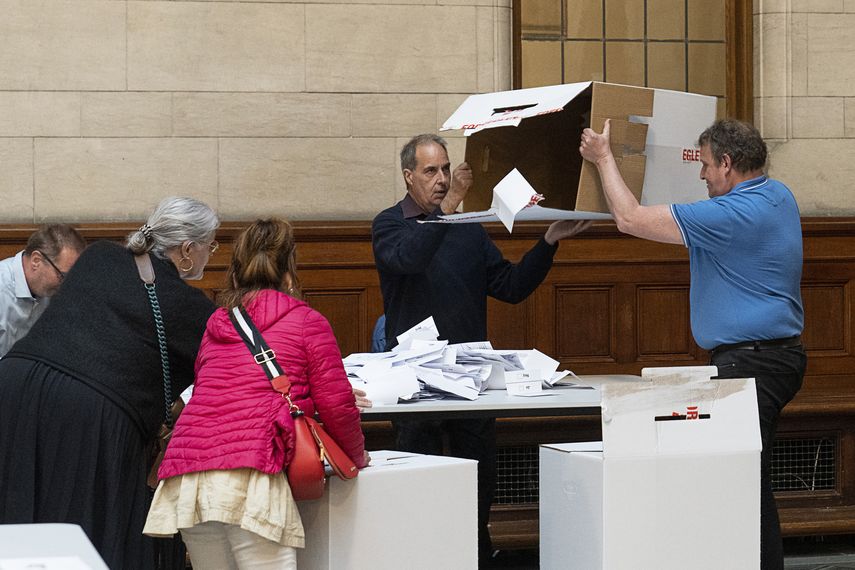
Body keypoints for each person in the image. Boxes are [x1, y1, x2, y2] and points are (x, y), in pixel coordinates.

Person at [580, 118, 805, 570]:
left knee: (742, 486)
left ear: (726, 164)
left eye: (704, 166)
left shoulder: (734, 214)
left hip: (754, 365)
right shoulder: (777, 195)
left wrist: (604, 157)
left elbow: (630, 219)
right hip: (767, 359)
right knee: (744, 480)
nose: (701, 175)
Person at [372, 133, 592, 567]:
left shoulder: (467, 231)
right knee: (422, 490)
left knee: (478, 491)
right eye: (431, 171)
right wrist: (447, 210)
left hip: (472, 383)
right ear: (408, 176)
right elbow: (410, 260)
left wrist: (548, 242)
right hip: (416, 385)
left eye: (446, 169)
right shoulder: (389, 225)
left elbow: (510, 287)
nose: (441, 179)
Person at [0, 197, 220, 569]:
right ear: (187, 249)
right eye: (209, 246)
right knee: (83, 535)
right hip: (90, 416)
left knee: (17, 515)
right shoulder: (193, 309)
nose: (208, 255)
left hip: (15, 384)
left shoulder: (99, 256)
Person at [144, 218, 369, 569]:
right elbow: (337, 406)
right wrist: (358, 459)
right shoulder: (308, 322)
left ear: (237, 270)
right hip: (250, 472)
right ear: (289, 270)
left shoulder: (217, 323)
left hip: (190, 475)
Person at [0, 224, 86, 357]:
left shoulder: (50, 291)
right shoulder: (2, 286)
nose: (65, 285)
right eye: (62, 276)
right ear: (36, 261)